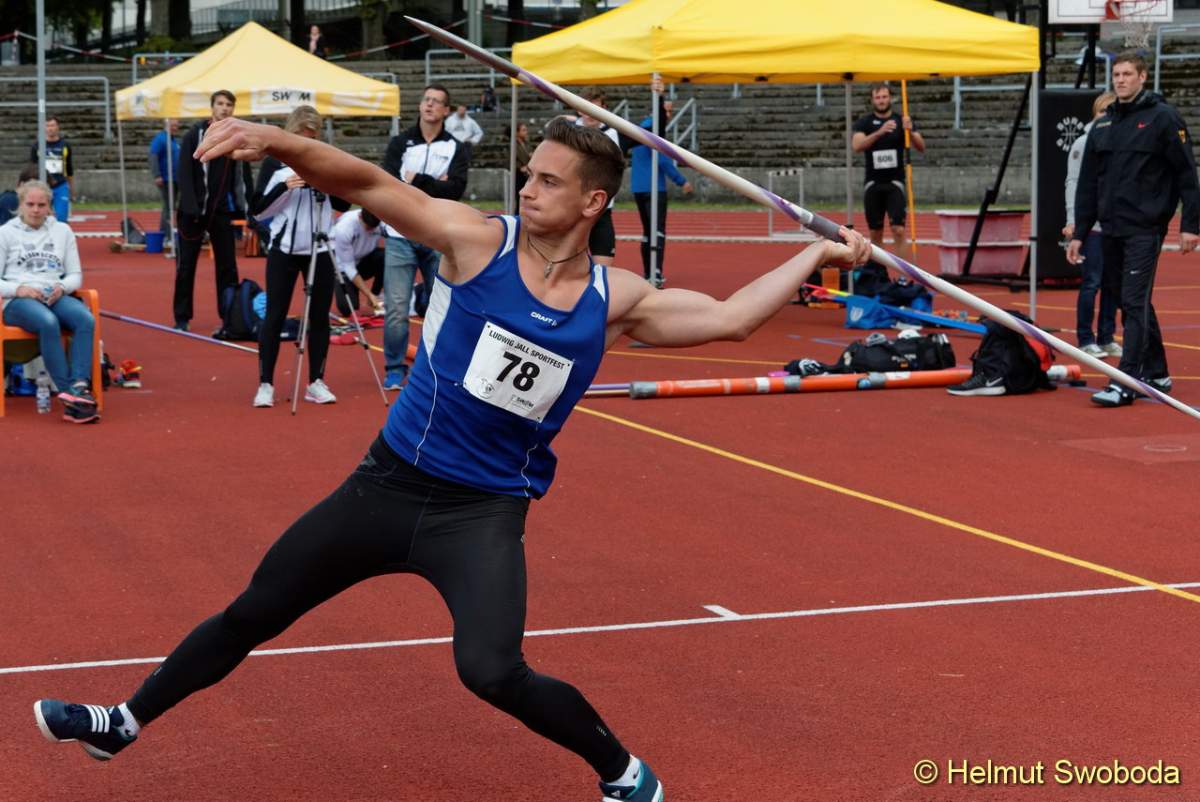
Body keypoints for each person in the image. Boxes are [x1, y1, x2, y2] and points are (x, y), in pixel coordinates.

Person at [31, 115, 870, 801]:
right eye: (529, 174)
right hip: (387, 484)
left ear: (593, 200)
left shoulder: (616, 300)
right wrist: (275, 140)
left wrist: (817, 253)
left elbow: (729, 320)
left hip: (482, 511)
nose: (527, 188)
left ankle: (624, 774)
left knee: (493, 671)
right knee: (256, 609)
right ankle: (121, 723)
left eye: (548, 181)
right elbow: (369, 183)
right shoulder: (474, 241)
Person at [1069, 52, 1200, 407]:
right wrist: (1080, 232)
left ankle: (1128, 380)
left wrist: (1190, 225)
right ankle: (1158, 372)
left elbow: (1187, 174)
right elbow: (1088, 185)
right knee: (1132, 301)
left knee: (1132, 301)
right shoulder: (1104, 125)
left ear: (1142, 77)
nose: (1121, 80)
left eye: (1127, 74)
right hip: (1110, 229)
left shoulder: (1163, 118)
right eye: (1116, 74)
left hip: (1145, 228)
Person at [249, 105, 349, 408]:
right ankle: (265, 383)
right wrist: (285, 186)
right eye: (302, 136)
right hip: (284, 250)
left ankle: (316, 381)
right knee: (275, 315)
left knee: (319, 317)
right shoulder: (275, 163)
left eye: (312, 138)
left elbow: (344, 204)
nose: (307, 143)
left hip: (320, 249)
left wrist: (325, 181)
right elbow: (257, 211)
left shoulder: (325, 159)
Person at [378, 84, 469, 390]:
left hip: (438, 236)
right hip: (399, 234)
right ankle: (394, 367)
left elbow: (455, 190)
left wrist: (418, 180)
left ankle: (435, 367)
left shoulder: (456, 147)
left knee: (441, 307)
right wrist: (434, 185)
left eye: (437, 102)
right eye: (426, 100)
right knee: (396, 308)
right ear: (420, 105)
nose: (429, 105)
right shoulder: (400, 143)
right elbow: (389, 185)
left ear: (446, 110)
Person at [0, 180, 97, 423]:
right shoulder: (5, 233)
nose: (35, 210)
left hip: (54, 294)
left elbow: (75, 275)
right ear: (21, 205)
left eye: (41, 205)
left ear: (50, 207)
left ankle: (79, 384)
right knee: (48, 321)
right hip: (17, 300)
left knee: (85, 318)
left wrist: (62, 287)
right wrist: (19, 289)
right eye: (30, 204)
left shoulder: (63, 231)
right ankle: (68, 393)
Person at [174, 90, 255, 333]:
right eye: (220, 103)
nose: (225, 108)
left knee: (227, 266)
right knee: (186, 266)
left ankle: (229, 317)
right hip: (192, 212)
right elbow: (184, 172)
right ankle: (182, 318)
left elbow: (244, 176)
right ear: (212, 107)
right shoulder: (194, 135)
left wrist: (246, 208)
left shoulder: (237, 137)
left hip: (221, 212)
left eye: (229, 104)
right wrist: (191, 207)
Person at [1063, 91, 1120, 360]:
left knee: (1111, 283)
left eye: (1111, 111)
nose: (1106, 116)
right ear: (1095, 114)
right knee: (1091, 282)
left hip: (1116, 226)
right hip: (1092, 226)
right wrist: (1072, 220)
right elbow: (1073, 182)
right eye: (1102, 111)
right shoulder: (1083, 143)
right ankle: (1085, 338)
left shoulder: (1122, 141)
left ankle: (1106, 337)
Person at [851, 83, 925, 262]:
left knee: (898, 229)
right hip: (873, 183)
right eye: (878, 97)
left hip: (895, 182)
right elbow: (857, 146)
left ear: (890, 98)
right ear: (872, 100)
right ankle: (879, 272)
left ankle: (904, 272)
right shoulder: (865, 123)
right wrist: (880, 132)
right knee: (875, 232)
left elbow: (921, 147)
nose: (881, 101)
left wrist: (910, 132)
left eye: (884, 97)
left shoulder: (902, 120)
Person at [631, 100, 693, 287]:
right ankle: (655, 274)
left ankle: (648, 273)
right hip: (654, 188)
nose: (669, 115)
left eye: (671, 111)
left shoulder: (639, 128)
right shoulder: (654, 129)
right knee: (657, 231)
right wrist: (681, 181)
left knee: (647, 232)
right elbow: (663, 160)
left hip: (639, 187)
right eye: (666, 111)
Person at [574, 88, 621, 267]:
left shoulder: (613, 133)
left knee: (603, 270)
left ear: (604, 109)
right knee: (570, 268)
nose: (591, 114)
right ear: (579, 109)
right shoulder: (568, 131)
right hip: (574, 210)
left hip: (602, 211)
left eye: (595, 109)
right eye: (587, 109)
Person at [329, 206, 385, 314]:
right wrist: (368, 294)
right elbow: (349, 267)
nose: (371, 230)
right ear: (360, 216)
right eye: (368, 227)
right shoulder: (344, 228)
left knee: (385, 257)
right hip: (344, 268)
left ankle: (376, 295)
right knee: (348, 309)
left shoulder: (381, 222)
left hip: (365, 260)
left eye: (373, 228)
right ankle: (362, 292)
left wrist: (374, 294)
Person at [29, 116, 74, 223]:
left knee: (61, 218)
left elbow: (69, 168)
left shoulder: (65, 145)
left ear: (58, 127)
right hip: (42, 186)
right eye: (47, 126)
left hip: (60, 185)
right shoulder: (37, 145)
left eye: (52, 125)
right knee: (41, 218)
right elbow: (32, 168)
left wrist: (71, 188)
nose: (50, 128)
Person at [148, 118, 181, 240]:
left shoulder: (173, 140)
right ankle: (166, 234)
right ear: (166, 125)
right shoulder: (160, 139)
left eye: (176, 125)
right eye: (173, 125)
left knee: (171, 206)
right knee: (168, 207)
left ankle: (166, 232)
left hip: (175, 178)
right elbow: (153, 156)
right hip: (166, 178)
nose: (175, 128)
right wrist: (157, 175)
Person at [511, 122, 532, 211]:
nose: (526, 132)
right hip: (518, 174)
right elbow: (511, 159)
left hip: (527, 174)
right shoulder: (513, 144)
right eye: (523, 130)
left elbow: (529, 154)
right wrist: (520, 167)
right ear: (517, 132)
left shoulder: (526, 143)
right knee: (519, 197)